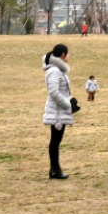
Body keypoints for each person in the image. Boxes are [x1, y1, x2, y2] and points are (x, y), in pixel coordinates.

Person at [42, 44, 74, 179]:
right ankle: (55, 169)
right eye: (68, 54)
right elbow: (54, 91)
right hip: (57, 112)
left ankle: (55, 168)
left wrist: (71, 101)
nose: (69, 56)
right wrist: (67, 104)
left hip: (59, 111)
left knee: (56, 140)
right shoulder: (54, 71)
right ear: (63, 55)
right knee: (55, 141)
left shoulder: (58, 70)